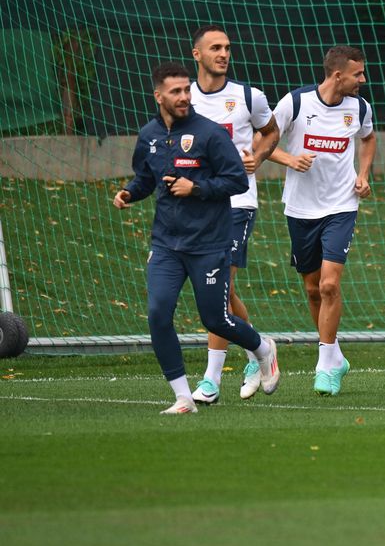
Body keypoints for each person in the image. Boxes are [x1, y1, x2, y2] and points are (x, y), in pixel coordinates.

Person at [113, 62, 280, 414]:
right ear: (158, 95)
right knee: (158, 314)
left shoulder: (209, 134)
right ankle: (183, 398)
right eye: (176, 91)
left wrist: (197, 187)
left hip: (209, 243)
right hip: (166, 244)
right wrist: (129, 193)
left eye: (187, 89)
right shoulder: (149, 135)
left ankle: (263, 349)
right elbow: (145, 179)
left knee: (214, 320)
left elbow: (237, 180)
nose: (184, 97)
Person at [270, 46, 376, 396]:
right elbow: (263, 141)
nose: (363, 80)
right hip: (301, 209)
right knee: (313, 288)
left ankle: (324, 366)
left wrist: (363, 174)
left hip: (341, 207)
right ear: (337, 75)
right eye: (357, 74)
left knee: (330, 285)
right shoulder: (295, 103)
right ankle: (336, 357)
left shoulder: (359, 108)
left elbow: (369, 137)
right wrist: (290, 159)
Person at [187, 25, 281, 404]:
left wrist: (256, 157)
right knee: (220, 295)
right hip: (197, 206)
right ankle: (258, 349)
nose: (223, 53)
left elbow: (271, 131)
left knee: (218, 282)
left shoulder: (248, 96)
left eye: (227, 48)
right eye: (215, 48)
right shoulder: (184, 98)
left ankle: (210, 380)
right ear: (197, 55)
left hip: (238, 205)